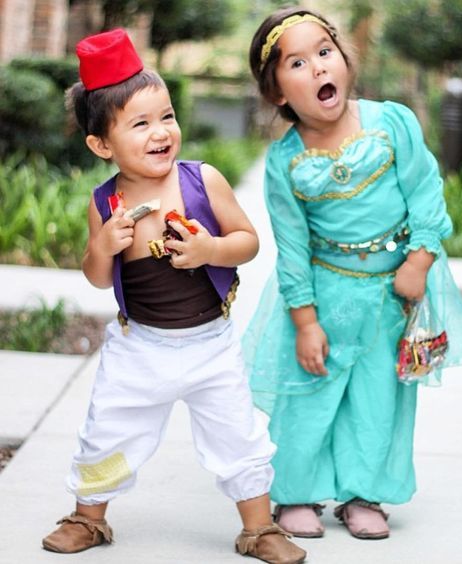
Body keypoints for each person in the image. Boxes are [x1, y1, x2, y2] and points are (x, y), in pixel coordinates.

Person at [41, 28, 306, 564]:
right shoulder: (106, 202)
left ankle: (259, 528)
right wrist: (105, 244)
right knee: (107, 431)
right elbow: (96, 276)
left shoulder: (201, 181)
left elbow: (248, 242)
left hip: (210, 345)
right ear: (101, 144)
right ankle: (88, 518)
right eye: (140, 124)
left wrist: (209, 249)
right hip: (139, 348)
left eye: (166, 116)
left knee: (239, 434)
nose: (161, 132)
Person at [243, 6, 462, 540]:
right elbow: (292, 246)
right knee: (311, 391)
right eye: (298, 63)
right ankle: (296, 493)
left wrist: (419, 259)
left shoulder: (391, 121)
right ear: (278, 92)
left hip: (392, 296)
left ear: (345, 61)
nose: (319, 68)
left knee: (378, 398)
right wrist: (306, 321)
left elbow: (426, 192)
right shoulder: (286, 161)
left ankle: (363, 492)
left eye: (325, 53)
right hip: (326, 293)